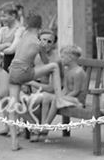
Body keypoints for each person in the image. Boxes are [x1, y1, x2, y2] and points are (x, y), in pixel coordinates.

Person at [6, 11, 62, 150]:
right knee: (54, 66)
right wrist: (46, 50)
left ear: (27, 25)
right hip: (25, 72)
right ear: (40, 27)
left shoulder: (23, 36)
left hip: (12, 70)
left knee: (13, 105)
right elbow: (46, 62)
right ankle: (60, 98)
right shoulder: (38, 43)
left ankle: (14, 142)